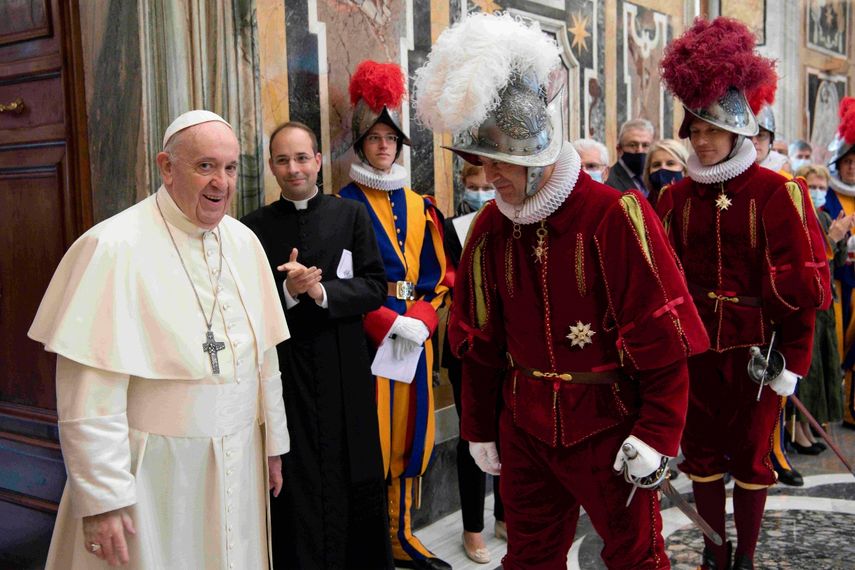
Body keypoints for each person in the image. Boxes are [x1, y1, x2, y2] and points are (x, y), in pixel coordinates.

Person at [415, 13, 709, 569]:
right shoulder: (488, 229)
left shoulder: (615, 214)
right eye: (483, 162)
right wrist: (479, 427)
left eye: (502, 162)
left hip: (610, 425)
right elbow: (477, 341)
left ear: (537, 154)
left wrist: (658, 432)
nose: (490, 176)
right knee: (528, 558)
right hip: (524, 426)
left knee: (636, 557)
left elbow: (662, 333)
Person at [29, 110, 291, 569]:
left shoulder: (245, 242)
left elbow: (264, 359)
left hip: (239, 457)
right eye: (205, 166)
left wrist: (272, 447)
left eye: (230, 168)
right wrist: (102, 500)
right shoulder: (112, 247)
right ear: (166, 167)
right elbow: (90, 396)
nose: (221, 183)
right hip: (154, 475)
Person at [658, 18, 829, 569]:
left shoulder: (780, 193)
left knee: (754, 459)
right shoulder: (673, 198)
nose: (702, 140)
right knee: (702, 455)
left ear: (738, 131)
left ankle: (746, 557)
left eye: (712, 130)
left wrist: (793, 363)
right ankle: (714, 550)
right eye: (695, 130)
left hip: (762, 356)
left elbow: (805, 289)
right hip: (698, 354)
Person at [241, 122, 392, 569]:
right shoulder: (252, 229)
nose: (294, 169)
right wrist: (289, 292)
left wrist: (322, 293)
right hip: (288, 376)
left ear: (319, 161)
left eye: (302, 158)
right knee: (297, 479)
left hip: (344, 369)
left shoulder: (351, 216)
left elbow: (375, 286)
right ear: (271, 167)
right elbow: (247, 303)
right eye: (283, 160)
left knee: (353, 474)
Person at [338, 60, 450, 570]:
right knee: (373, 434)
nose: (384, 146)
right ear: (360, 144)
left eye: (391, 139)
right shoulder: (340, 207)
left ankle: (403, 532)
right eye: (375, 138)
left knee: (413, 430)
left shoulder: (421, 204)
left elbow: (442, 276)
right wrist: (384, 321)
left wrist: (425, 318)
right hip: (369, 335)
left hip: (415, 336)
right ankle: (373, 539)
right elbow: (337, 282)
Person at [440, 163, 504, 565]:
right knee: (472, 437)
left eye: (487, 185)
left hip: (507, 348)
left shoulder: (510, 220)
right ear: (463, 186)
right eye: (473, 185)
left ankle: (504, 515)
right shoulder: (448, 228)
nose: (481, 192)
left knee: (508, 434)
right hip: (466, 349)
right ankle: (472, 528)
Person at [791, 163, 849, 452]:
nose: (817, 192)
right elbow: (809, 263)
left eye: (821, 187)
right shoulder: (799, 218)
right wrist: (833, 239)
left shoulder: (825, 217)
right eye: (811, 186)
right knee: (808, 371)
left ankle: (811, 427)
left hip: (826, 305)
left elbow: (834, 265)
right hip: (807, 305)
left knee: (824, 367)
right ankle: (799, 430)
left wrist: (841, 241)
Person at [822, 96, 855, 430]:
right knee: (835, 346)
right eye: (848, 162)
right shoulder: (827, 196)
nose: (853, 167)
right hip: (836, 281)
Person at [605, 118, 655, 195]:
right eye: (633, 145)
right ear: (619, 149)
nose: (640, 150)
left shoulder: (654, 177)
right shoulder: (609, 181)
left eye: (645, 145)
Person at [642, 138, 688, 208]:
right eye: (656, 165)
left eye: (670, 163)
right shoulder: (642, 209)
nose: (663, 168)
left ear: (684, 170)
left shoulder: (694, 204)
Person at [752, 105, 792, 175]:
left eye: (761, 135)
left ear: (771, 139)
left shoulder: (782, 166)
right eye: (747, 136)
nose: (753, 142)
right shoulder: (730, 167)